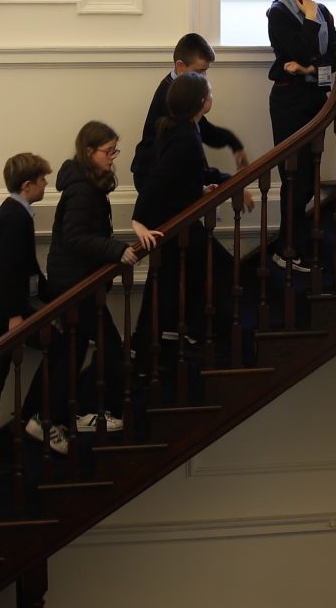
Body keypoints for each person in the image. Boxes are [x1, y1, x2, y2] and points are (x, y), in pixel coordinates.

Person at [46, 121, 156, 436]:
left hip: (76, 284)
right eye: (108, 151)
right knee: (108, 348)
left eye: (114, 151)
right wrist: (116, 250)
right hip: (77, 286)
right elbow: (75, 237)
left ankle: (49, 418)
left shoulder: (85, 183)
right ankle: (86, 412)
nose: (112, 157)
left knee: (73, 353)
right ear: (89, 151)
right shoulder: (82, 188)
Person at [0, 152, 63, 458]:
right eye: (42, 179)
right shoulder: (14, 217)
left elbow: (26, 268)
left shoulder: (16, 213)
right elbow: (5, 271)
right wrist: (14, 315)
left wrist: (53, 297)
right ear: (27, 185)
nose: (46, 183)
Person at [134, 73, 236, 350]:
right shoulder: (186, 137)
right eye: (209, 94)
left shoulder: (180, 129)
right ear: (201, 102)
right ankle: (200, 331)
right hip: (172, 222)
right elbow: (157, 180)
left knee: (175, 279)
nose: (212, 98)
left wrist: (200, 190)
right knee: (221, 268)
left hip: (176, 215)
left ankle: (180, 331)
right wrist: (137, 221)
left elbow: (188, 173)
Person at [265, 0, 336, 271]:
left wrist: (309, 69)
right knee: (293, 176)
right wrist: (308, 21)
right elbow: (296, 49)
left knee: (309, 179)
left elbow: (334, 54)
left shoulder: (324, 11)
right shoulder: (277, 13)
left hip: (315, 98)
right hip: (288, 101)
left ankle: (294, 242)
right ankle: (287, 249)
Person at [139, 34, 246, 178]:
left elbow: (203, 129)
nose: (204, 77)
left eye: (206, 71)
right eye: (199, 71)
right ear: (180, 66)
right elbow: (193, 148)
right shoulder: (172, 95)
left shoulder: (180, 89)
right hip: (152, 173)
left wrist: (234, 144)